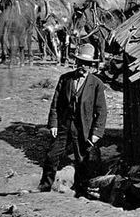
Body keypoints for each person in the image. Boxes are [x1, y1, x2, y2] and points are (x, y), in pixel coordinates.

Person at [39, 43, 108, 196]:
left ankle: (81, 192)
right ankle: (44, 187)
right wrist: (53, 124)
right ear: (77, 62)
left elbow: (102, 112)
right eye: (81, 62)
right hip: (64, 125)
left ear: (92, 66)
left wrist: (96, 133)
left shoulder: (97, 84)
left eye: (87, 64)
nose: (83, 66)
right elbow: (55, 104)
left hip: (84, 128)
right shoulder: (65, 79)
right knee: (52, 156)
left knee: (82, 160)